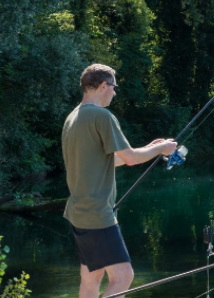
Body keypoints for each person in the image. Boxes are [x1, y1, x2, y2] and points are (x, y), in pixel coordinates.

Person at [62, 64, 178, 298]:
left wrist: (148, 148)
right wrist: (161, 149)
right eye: (114, 87)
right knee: (123, 277)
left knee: (91, 277)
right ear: (103, 86)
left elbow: (109, 160)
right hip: (98, 214)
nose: (115, 93)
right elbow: (132, 159)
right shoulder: (102, 116)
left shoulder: (73, 117)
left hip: (78, 212)